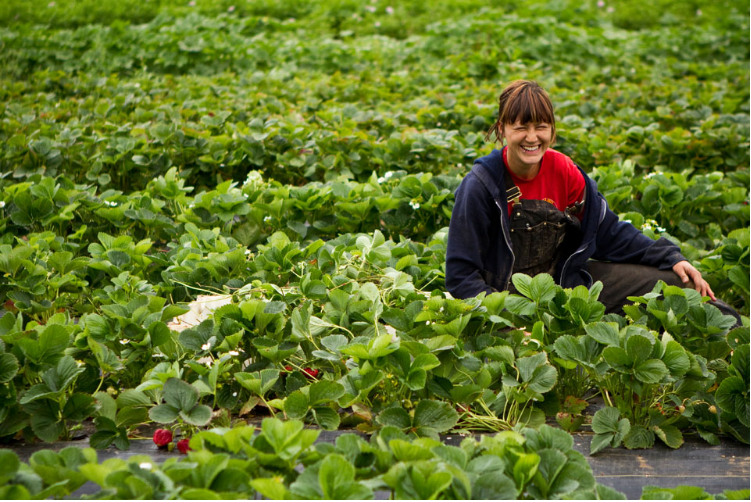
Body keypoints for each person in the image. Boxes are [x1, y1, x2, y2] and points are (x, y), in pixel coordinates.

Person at [446, 79, 740, 322]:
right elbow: (460, 277)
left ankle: (734, 329)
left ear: (552, 130)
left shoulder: (564, 172)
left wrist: (671, 257)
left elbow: (609, 233)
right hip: (504, 302)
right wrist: (506, 317)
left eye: (541, 126)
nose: (532, 137)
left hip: (563, 288)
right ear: (502, 130)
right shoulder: (481, 186)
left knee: (675, 284)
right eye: (521, 127)